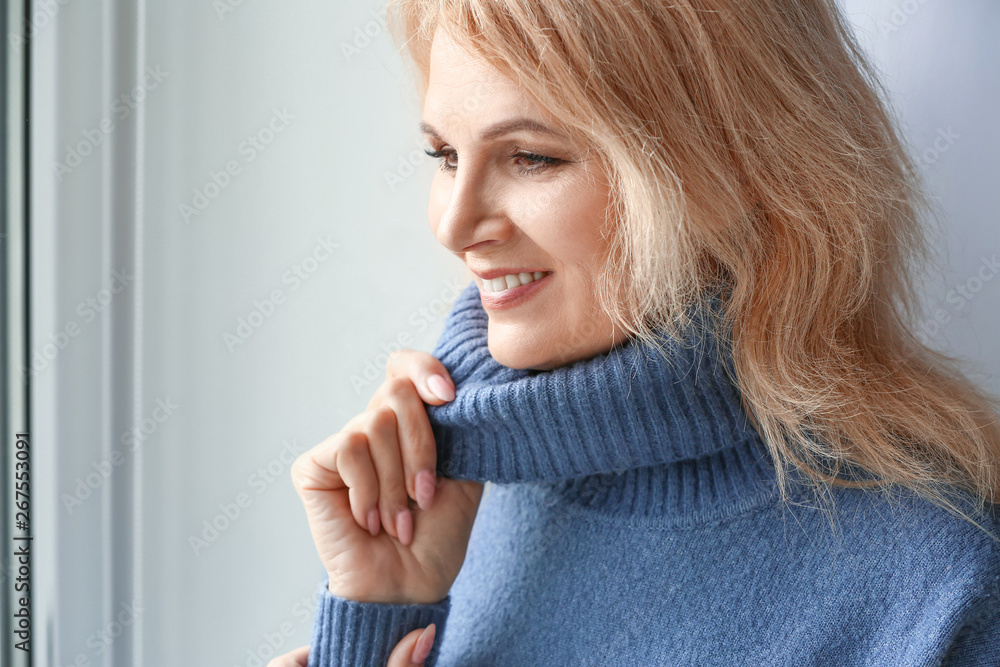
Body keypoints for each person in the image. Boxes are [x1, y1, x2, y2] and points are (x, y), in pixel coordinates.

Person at [272, 1, 1000, 664]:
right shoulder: (449, 506)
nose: (453, 226)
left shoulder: (938, 583)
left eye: (531, 157)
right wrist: (380, 610)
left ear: (737, 166)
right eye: (445, 156)